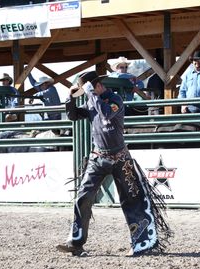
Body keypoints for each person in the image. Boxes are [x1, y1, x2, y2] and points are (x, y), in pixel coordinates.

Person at [56, 70, 172, 257]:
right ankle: (75, 242)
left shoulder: (115, 100)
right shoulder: (93, 100)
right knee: (84, 196)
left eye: (89, 88)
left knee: (132, 199)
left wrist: (91, 94)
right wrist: (69, 99)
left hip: (120, 158)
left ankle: (142, 243)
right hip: (98, 157)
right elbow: (74, 115)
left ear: (97, 86)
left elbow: (107, 114)